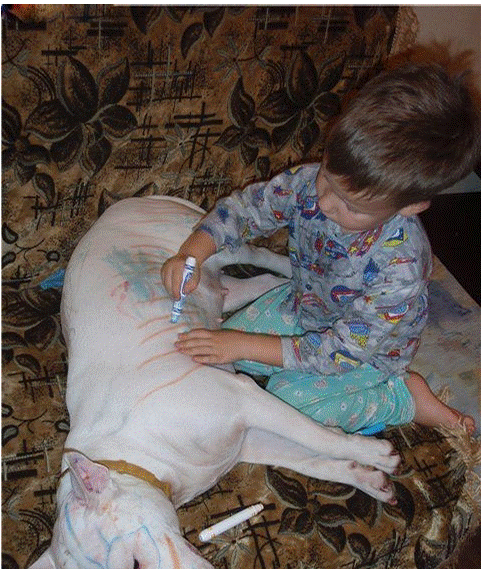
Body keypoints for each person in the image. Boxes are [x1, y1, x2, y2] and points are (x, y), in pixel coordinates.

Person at [162, 61, 479, 434]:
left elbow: (338, 352)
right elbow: (247, 209)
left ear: (410, 206)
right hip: (305, 306)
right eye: (327, 176)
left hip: (365, 355)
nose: (326, 202)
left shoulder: (401, 269)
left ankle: (402, 397)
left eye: (351, 207)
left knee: (284, 404)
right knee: (218, 347)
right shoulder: (309, 181)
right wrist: (191, 253)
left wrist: (243, 345)